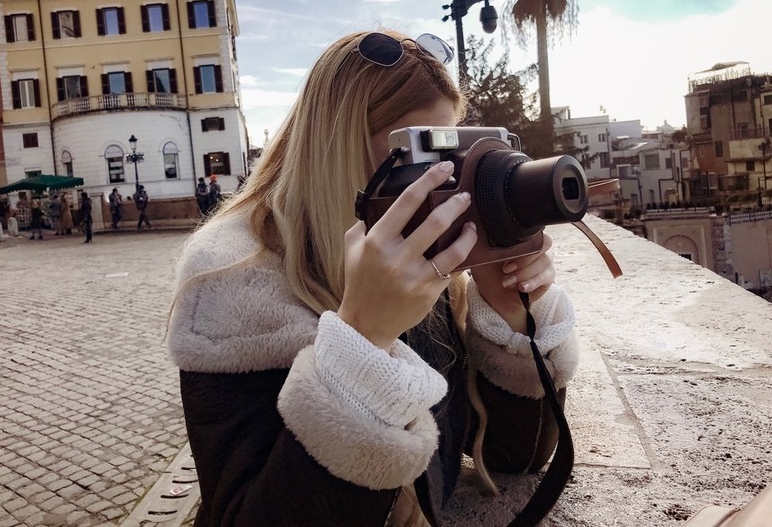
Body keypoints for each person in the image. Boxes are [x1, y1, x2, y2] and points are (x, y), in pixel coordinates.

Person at [166, 30, 578, 526]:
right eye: (423, 156)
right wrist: (363, 338)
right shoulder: (236, 283)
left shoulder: (423, 255)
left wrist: (510, 316)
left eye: (453, 158)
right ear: (333, 152)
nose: (445, 183)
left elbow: (518, 457)